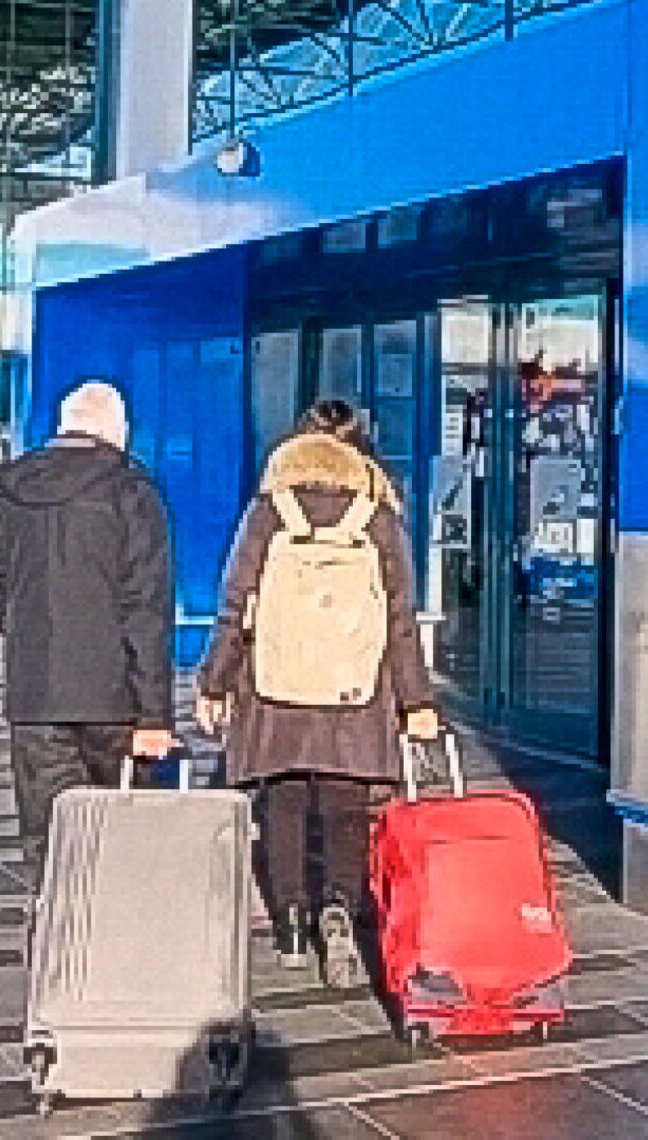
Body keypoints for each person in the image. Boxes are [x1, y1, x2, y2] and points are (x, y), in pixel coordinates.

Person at [197, 399, 438, 988]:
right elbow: (400, 619)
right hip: (356, 693)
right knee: (344, 806)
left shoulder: (270, 512)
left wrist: (214, 681)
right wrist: (417, 702)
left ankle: (291, 925)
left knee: (282, 803)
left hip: (275, 689)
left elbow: (237, 604)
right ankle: (339, 908)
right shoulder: (377, 517)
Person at [0, 380, 175, 906]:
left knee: (46, 836)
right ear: (117, 430)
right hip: (114, 699)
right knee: (121, 831)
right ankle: (110, 932)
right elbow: (145, 608)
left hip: (35, 692)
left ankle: (51, 928)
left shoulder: (12, 488)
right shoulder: (131, 491)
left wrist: (30, 635)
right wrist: (155, 716)